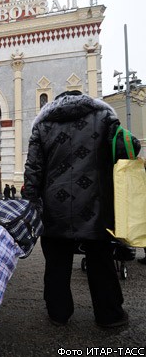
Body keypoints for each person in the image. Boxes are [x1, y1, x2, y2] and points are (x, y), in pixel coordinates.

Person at [23, 90, 141, 328]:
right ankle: (110, 316)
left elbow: (33, 170)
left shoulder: (43, 125)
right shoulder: (104, 116)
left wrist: (31, 202)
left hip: (54, 206)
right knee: (101, 261)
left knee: (57, 263)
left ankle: (58, 314)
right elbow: (130, 148)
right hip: (96, 204)